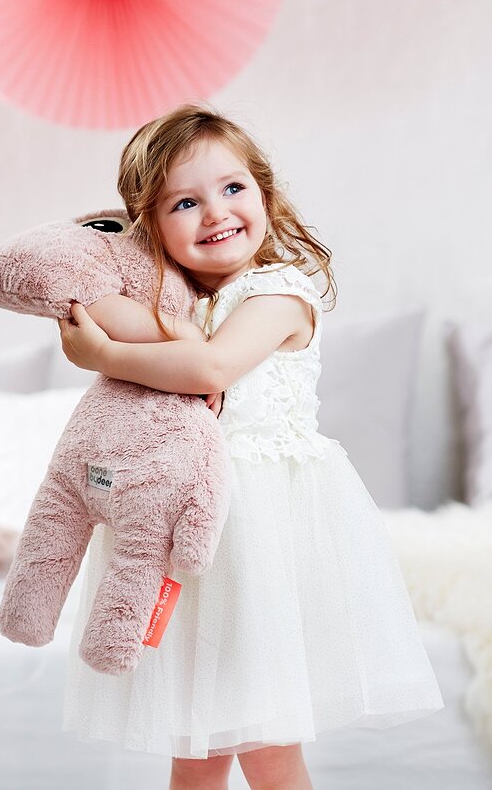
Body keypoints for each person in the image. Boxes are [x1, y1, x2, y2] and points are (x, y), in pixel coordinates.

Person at [57, 102, 444, 790]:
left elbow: (210, 367)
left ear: (264, 192)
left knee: (268, 751)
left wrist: (103, 354)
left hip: (262, 539)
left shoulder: (280, 294)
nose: (215, 213)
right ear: (151, 226)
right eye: (184, 202)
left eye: (232, 187)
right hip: (186, 538)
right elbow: (94, 289)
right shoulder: (176, 306)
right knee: (194, 750)